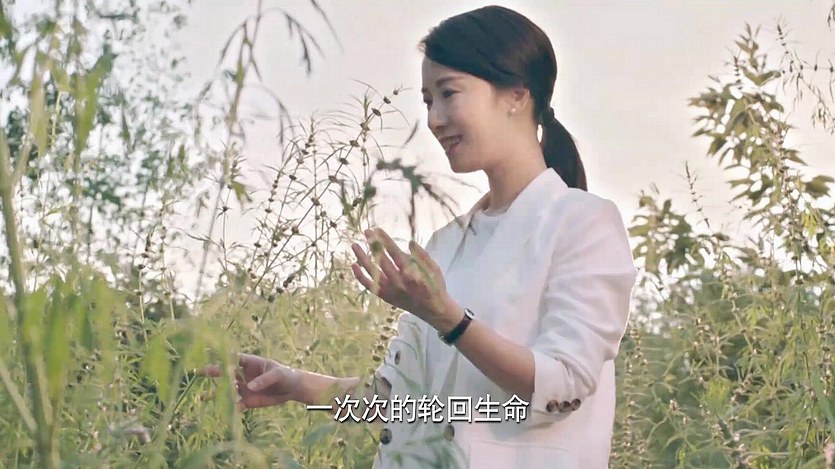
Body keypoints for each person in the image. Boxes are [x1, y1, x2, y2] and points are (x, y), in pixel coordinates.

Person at [205, 5, 637, 468]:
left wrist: (449, 319)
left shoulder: (583, 222)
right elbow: (400, 403)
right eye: (429, 101)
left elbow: (564, 386)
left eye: (449, 93)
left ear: (516, 95)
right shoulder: (447, 244)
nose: (434, 119)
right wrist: (295, 384)